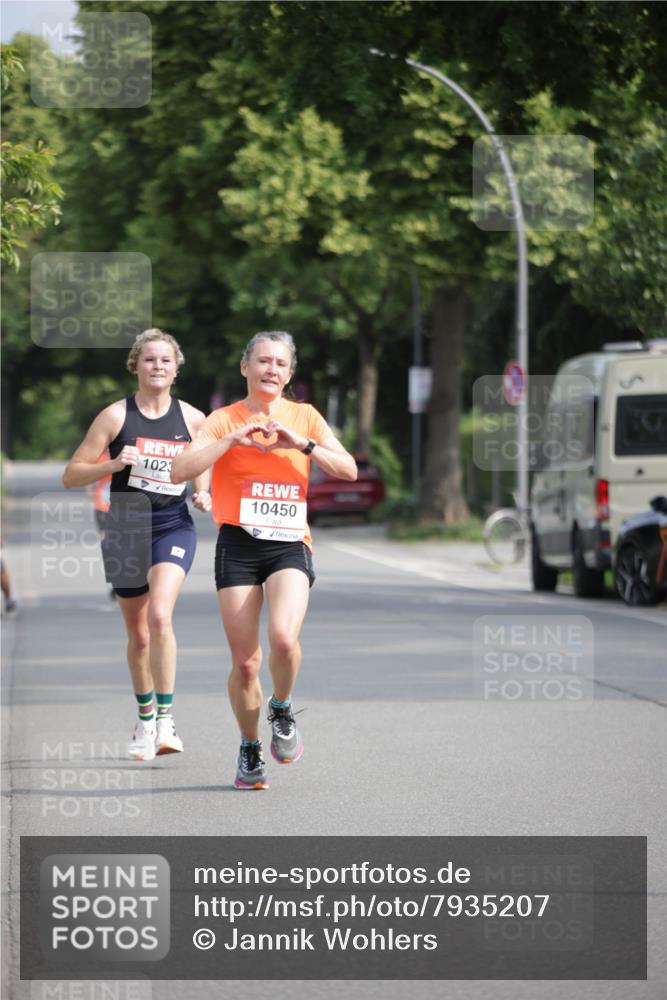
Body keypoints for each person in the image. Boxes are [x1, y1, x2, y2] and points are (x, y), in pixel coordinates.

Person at [171, 331, 356, 789]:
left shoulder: (305, 417)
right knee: (247, 662)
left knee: (283, 640)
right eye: (262, 361)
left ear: (289, 374)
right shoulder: (222, 418)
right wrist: (231, 440)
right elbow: (180, 470)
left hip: (290, 542)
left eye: (280, 363)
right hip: (238, 542)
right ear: (245, 368)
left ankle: (282, 705)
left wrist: (302, 444)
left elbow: (348, 468)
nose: (271, 369)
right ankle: (250, 747)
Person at [63, 329, 211, 761]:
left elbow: (204, 462)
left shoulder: (194, 419)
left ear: (177, 367)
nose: (158, 367)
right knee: (140, 635)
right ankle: (144, 718)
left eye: (166, 360)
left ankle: (166, 721)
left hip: (172, 524)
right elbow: (71, 475)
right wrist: (112, 463)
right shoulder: (114, 417)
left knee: (161, 614)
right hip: (125, 527)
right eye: (150, 360)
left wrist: (202, 490)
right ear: (136, 365)